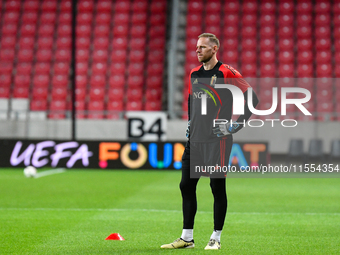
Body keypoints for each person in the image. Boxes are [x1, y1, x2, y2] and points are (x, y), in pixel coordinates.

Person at [161, 33, 259, 250]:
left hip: (218, 141)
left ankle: (216, 237)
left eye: (203, 47)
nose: (197, 50)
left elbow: (253, 98)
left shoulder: (227, 72)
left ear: (215, 49)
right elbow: (190, 99)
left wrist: (236, 125)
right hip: (195, 140)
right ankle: (187, 238)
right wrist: (189, 122)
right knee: (186, 185)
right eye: (197, 47)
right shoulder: (194, 73)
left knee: (216, 186)